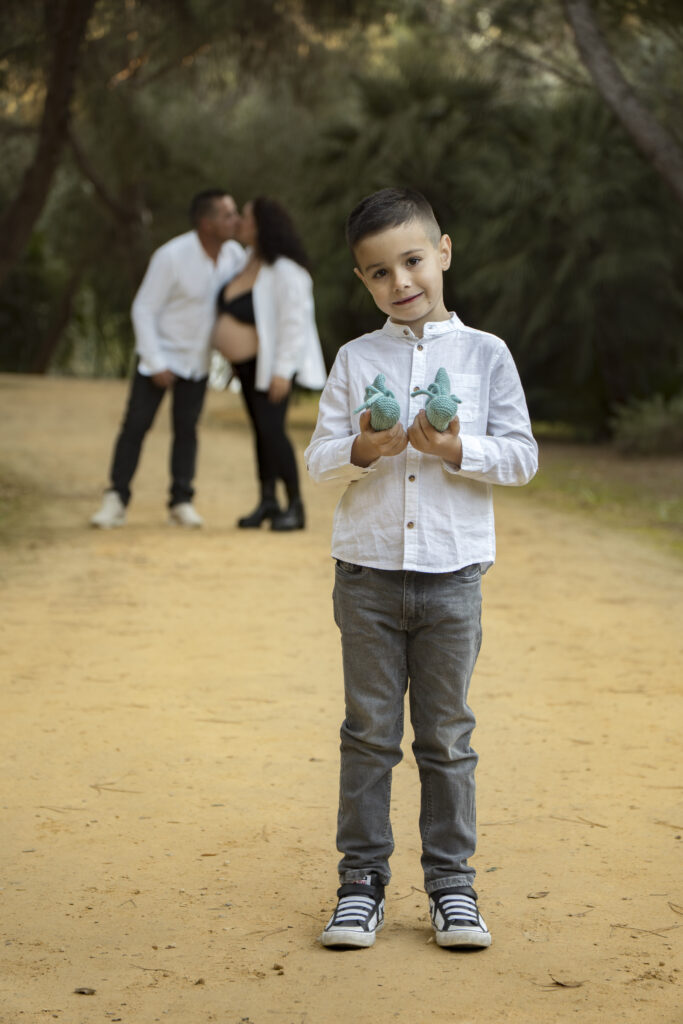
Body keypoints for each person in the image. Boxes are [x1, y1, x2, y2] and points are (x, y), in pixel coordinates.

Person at [304, 188, 538, 950]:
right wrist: (361, 452)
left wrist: (457, 450)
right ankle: (360, 884)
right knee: (368, 734)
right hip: (367, 575)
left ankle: (451, 887)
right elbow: (318, 460)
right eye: (377, 272)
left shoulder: (485, 355)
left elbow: (523, 456)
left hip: (452, 575)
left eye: (410, 260)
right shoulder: (353, 359)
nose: (398, 281)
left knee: (445, 738)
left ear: (442, 251)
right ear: (361, 280)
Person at [90, 189, 245, 529]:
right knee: (135, 426)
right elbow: (143, 308)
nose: (236, 221)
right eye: (228, 215)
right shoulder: (171, 256)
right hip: (159, 357)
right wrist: (156, 360)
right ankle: (115, 499)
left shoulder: (234, 255)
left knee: (187, 430)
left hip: (199, 360)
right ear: (206, 223)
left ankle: (181, 501)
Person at [211, 197, 326, 531]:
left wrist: (282, 371)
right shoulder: (247, 261)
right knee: (261, 433)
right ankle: (267, 500)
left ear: (262, 225)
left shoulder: (287, 271)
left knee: (274, 432)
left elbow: (293, 324)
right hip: (246, 369)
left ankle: (295, 506)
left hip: (271, 369)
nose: (240, 223)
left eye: (245, 217)